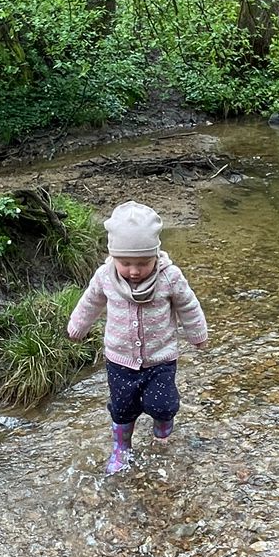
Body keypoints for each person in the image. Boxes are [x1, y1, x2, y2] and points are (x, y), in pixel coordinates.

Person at [66, 200, 209, 474]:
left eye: (143, 263)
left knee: (163, 404)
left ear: (156, 254)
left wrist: (197, 334)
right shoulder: (105, 276)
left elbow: (188, 306)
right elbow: (90, 302)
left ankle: (163, 430)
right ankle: (122, 448)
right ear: (113, 256)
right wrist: (78, 326)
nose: (133, 271)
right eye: (125, 263)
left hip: (160, 359)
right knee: (122, 408)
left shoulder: (170, 277)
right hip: (119, 360)